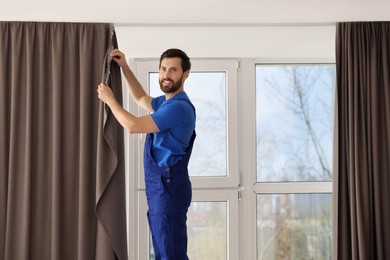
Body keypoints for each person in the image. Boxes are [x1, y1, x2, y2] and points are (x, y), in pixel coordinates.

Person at [97, 48, 196, 260]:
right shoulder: (165, 103)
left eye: (173, 70)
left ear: (185, 74)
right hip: (161, 186)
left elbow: (132, 126)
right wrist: (124, 66)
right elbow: (140, 97)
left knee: (170, 254)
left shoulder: (179, 108)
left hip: (168, 188)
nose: (166, 75)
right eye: (163, 69)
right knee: (163, 251)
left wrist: (110, 100)